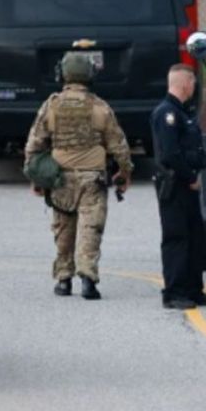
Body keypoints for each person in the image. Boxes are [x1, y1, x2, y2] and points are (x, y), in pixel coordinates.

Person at [25, 52, 133, 300]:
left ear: (63, 75)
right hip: (92, 179)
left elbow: (34, 146)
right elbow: (119, 146)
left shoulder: (51, 106)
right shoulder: (100, 107)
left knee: (63, 228)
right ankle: (88, 280)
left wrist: (36, 178)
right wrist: (124, 172)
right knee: (90, 229)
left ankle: (64, 280)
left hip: (59, 179)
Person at [151, 64, 206, 310]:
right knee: (177, 238)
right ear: (184, 84)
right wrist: (190, 177)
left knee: (194, 238)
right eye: (192, 82)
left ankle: (193, 289)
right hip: (175, 184)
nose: (194, 87)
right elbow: (170, 154)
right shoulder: (167, 114)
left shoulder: (182, 112)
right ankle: (174, 292)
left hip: (187, 185)